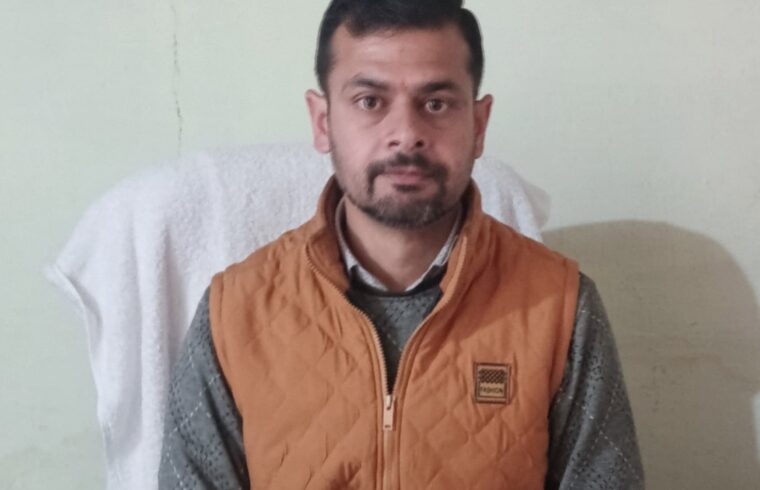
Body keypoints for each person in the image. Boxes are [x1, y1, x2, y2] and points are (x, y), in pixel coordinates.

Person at [158, 0, 644, 488]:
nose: (407, 135)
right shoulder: (235, 312)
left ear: (479, 125)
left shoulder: (561, 307)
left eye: (436, 103)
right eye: (370, 101)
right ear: (323, 121)